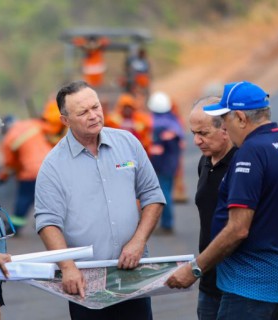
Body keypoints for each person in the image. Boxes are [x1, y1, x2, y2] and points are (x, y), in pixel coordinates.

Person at [166, 81, 278, 319]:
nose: (226, 129)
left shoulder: (249, 152)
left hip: (248, 288)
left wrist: (195, 269)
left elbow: (238, 229)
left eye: (226, 119)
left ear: (240, 117)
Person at [34, 80, 165, 320]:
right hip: (86, 280)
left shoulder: (128, 143)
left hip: (132, 274)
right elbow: (47, 222)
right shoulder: (53, 166)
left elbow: (153, 196)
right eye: (83, 112)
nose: (93, 116)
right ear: (65, 120)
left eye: (96, 107)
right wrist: (67, 267)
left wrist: (138, 240)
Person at [188, 96, 237, 319]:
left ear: (225, 128)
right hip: (209, 281)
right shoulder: (204, 161)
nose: (197, 141)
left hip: (237, 285)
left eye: (203, 133)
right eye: (193, 134)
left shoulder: (242, 164)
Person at [0, 112, 53, 233]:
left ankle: (15, 227)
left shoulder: (8, 139)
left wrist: (2, 177)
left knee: (24, 198)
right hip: (51, 167)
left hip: (30, 172)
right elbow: (52, 130)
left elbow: (10, 164)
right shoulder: (33, 124)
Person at [147, 91, 184, 234]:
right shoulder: (174, 121)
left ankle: (167, 224)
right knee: (166, 191)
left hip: (162, 165)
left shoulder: (156, 125)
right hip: (172, 163)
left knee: (163, 194)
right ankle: (166, 222)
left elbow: (156, 149)